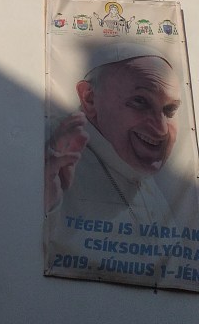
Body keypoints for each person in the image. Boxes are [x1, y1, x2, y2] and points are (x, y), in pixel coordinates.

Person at [44, 42, 185, 276]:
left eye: (169, 110)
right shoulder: (55, 159)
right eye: (140, 101)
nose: (161, 130)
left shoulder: (133, 164)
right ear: (90, 98)